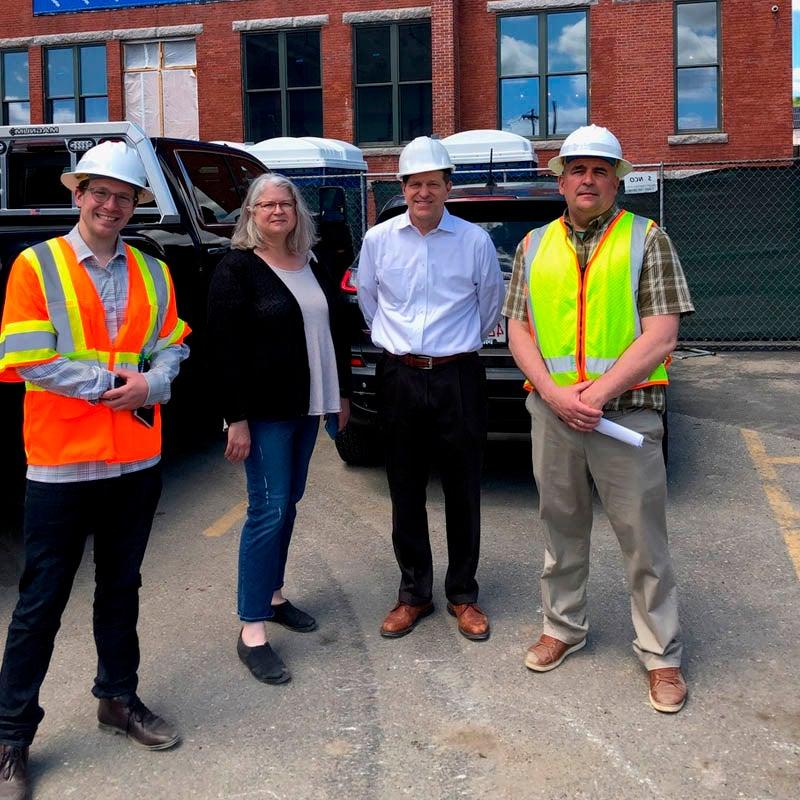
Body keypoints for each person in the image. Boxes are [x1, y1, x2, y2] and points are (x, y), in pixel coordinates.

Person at [0, 140, 189, 799]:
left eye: (123, 196)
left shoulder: (152, 270)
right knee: (40, 603)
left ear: (136, 205)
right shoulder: (37, 265)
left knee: (121, 589)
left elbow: (172, 344)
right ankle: (11, 737)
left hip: (134, 460)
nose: (111, 204)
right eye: (99, 193)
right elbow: (29, 358)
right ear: (76, 196)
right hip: (60, 463)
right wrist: (118, 381)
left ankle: (118, 699)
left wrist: (155, 385)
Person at [504, 125, 695, 712]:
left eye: (600, 170)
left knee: (644, 542)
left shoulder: (648, 238)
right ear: (560, 179)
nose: (588, 180)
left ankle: (661, 656)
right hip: (555, 413)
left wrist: (596, 394)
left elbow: (662, 334)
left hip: (628, 417)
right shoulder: (533, 245)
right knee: (560, 529)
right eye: (577, 170)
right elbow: (518, 329)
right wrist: (554, 393)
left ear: (618, 179)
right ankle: (562, 628)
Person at [357, 136, 504, 642]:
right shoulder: (378, 241)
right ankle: (414, 594)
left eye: (433, 184)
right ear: (402, 187)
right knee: (404, 487)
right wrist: (403, 348)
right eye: (415, 184)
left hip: (457, 375)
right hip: (398, 375)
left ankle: (463, 594)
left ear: (447, 187)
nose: (424, 193)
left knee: (463, 488)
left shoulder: (474, 242)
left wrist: (448, 348)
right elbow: (370, 302)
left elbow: (489, 307)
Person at [207, 174, 351, 685]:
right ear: (250, 213)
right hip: (264, 412)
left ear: (297, 211)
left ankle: (272, 595)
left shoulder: (311, 262)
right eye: (264, 204)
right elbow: (223, 351)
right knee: (267, 509)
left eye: (284, 203)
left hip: (309, 407)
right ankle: (251, 630)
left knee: (288, 501)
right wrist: (236, 417)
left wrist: (342, 397)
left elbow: (333, 331)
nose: (275, 211)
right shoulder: (237, 269)